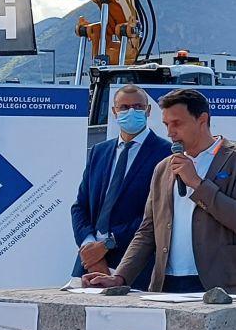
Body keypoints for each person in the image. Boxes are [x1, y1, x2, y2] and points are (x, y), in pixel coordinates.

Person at [82, 87, 236, 294]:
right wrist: (120, 277)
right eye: (167, 124)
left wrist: (197, 183)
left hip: (219, 283)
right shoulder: (164, 167)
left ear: (202, 120)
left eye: (177, 123)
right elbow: (147, 230)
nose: (170, 132)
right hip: (166, 284)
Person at [69, 84, 172, 279]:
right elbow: (80, 206)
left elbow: (158, 213)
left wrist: (108, 244)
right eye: (124, 107)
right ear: (114, 111)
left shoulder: (165, 153)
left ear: (148, 110)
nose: (131, 112)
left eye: (138, 107)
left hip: (133, 264)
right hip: (88, 262)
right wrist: (90, 247)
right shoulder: (99, 152)